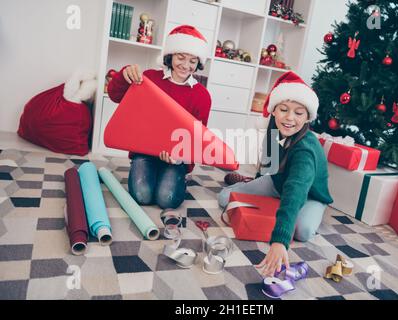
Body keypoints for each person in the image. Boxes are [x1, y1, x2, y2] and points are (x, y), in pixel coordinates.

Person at [218, 71, 333, 277]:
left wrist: (280, 240)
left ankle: (308, 209)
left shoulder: (305, 149)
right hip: (277, 182)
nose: (289, 118)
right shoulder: (274, 130)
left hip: (308, 194)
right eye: (284, 110)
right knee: (224, 197)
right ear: (274, 111)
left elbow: (296, 190)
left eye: (299, 113)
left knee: (303, 232)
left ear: (308, 118)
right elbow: (268, 168)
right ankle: (243, 182)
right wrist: (257, 184)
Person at [107, 25, 212, 209]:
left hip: (176, 157)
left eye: (193, 61)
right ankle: (150, 172)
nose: (186, 66)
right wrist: (124, 75)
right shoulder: (149, 78)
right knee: (142, 196)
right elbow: (115, 96)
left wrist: (179, 157)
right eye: (181, 57)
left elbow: (198, 138)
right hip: (144, 151)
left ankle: (173, 176)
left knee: (167, 200)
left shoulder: (202, 95)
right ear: (170, 56)